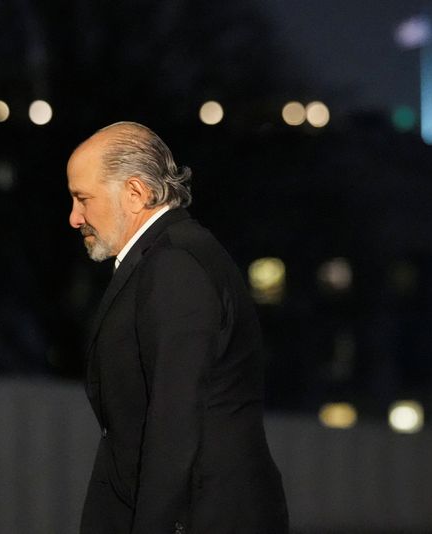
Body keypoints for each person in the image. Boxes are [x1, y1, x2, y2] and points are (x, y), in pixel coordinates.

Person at [67, 121, 289, 534]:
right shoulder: (167, 258)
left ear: (135, 193)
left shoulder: (174, 265)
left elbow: (175, 419)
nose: (74, 217)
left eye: (83, 199)